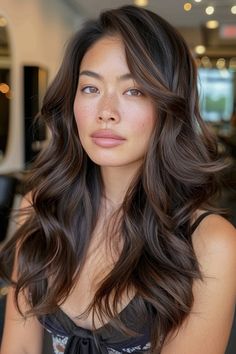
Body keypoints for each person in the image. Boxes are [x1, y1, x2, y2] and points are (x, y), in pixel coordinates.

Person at [0, 5, 236, 354]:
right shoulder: (44, 206)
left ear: (169, 107)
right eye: (91, 88)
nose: (106, 111)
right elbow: (18, 348)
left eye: (134, 91)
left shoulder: (211, 244)